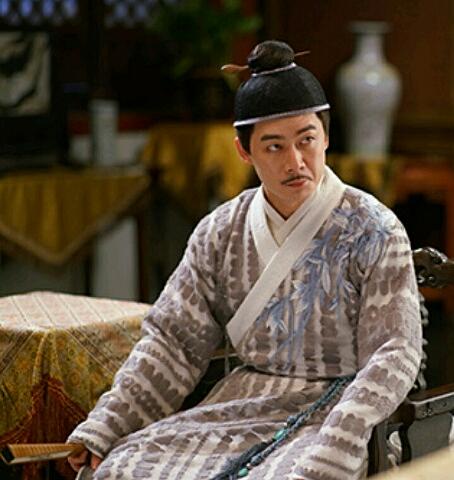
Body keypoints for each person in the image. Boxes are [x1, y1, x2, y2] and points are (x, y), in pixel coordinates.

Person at [68, 40, 422, 480]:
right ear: (243, 150)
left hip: (338, 412)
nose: (296, 162)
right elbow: (172, 342)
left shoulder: (374, 228)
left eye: (307, 140)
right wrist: (106, 425)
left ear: (326, 137)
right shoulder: (220, 231)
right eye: (274, 147)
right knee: (120, 469)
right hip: (241, 404)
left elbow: (395, 352)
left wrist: (341, 437)